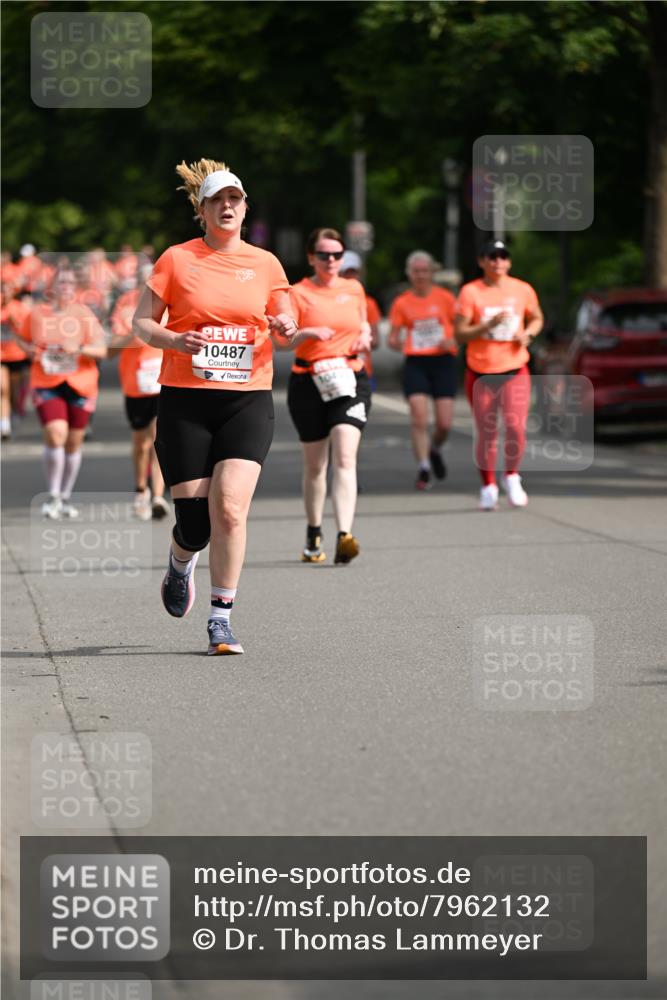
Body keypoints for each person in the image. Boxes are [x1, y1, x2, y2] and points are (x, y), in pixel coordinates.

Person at [132, 158, 297, 655]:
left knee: (229, 508)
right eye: (217, 200)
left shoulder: (265, 263)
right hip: (186, 402)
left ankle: (221, 619)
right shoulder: (177, 259)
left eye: (235, 199)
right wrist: (177, 342)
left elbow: (284, 315)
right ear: (201, 211)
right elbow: (142, 324)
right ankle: (181, 562)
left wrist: (286, 327)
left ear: (245, 209)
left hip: (247, 400)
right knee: (196, 525)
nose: (228, 207)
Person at [286, 228, 372, 565]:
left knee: (346, 456)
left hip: (350, 379)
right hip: (308, 380)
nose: (332, 261)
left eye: (337, 254)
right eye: (324, 255)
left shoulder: (353, 289)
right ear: (311, 257)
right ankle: (313, 530)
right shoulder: (298, 292)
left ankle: (344, 535)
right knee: (315, 465)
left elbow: (363, 325)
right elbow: (282, 338)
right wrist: (307, 332)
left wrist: (365, 337)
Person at [454, 239, 544, 510]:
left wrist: (528, 334)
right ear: (482, 262)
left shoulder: (522, 289)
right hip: (481, 371)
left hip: (515, 367)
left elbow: (537, 318)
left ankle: (512, 475)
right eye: (491, 257)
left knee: (516, 427)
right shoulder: (471, 292)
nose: (498, 262)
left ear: (509, 262)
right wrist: (487, 325)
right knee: (488, 432)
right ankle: (488, 485)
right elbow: (460, 334)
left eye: (503, 257)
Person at [17, 269, 107, 517]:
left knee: (73, 442)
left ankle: (66, 496)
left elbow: (102, 351)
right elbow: (21, 338)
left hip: (81, 383)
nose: (66, 286)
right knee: (57, 434)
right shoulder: (37, 314)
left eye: (70, 282)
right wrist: (30, 350)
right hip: (46, 381)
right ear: (52, 286)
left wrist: (78, 348)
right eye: (61, 282)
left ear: (75, 287)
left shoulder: (83, 314)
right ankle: (54, 494)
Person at [388, 251, 458, 490]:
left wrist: (454, 341)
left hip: (443, 362)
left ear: (432, 273)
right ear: (409, 274)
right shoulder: (402, 302)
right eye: (416, 271)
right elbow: (393, 338)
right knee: (419, 417)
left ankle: (435, 448)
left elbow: (461, 329)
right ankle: (424, 467)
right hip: (416, 363)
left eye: (424, 271)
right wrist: (398, 343)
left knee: (445, 423)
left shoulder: (446, 298)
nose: (420, 275)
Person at [109, 265, 168, 520]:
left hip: (163, 379)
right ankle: (140, 489)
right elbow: (112, 346)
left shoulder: (170, 299)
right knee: (140, 442)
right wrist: (136, 332)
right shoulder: (125, 304)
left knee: (158, 437)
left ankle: (157, 495)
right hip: (135, 381)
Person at [339, 250, 382, 390]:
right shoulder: (327, 301)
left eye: (353, 272)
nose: (350, 277)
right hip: (334, 371)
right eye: (346, 272)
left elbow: (375, 341)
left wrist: (362, 340)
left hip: (361, 370)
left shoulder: (369, 303)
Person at [1, 283, 31, 439]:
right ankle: (4, 425)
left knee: (13, 391)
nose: (4, 294)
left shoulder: (19, 308)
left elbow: (26, 331)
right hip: (1, 356)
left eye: (7, 290)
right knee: (2, 389)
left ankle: (14, 410)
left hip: (17, 355)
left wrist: (13, 320)